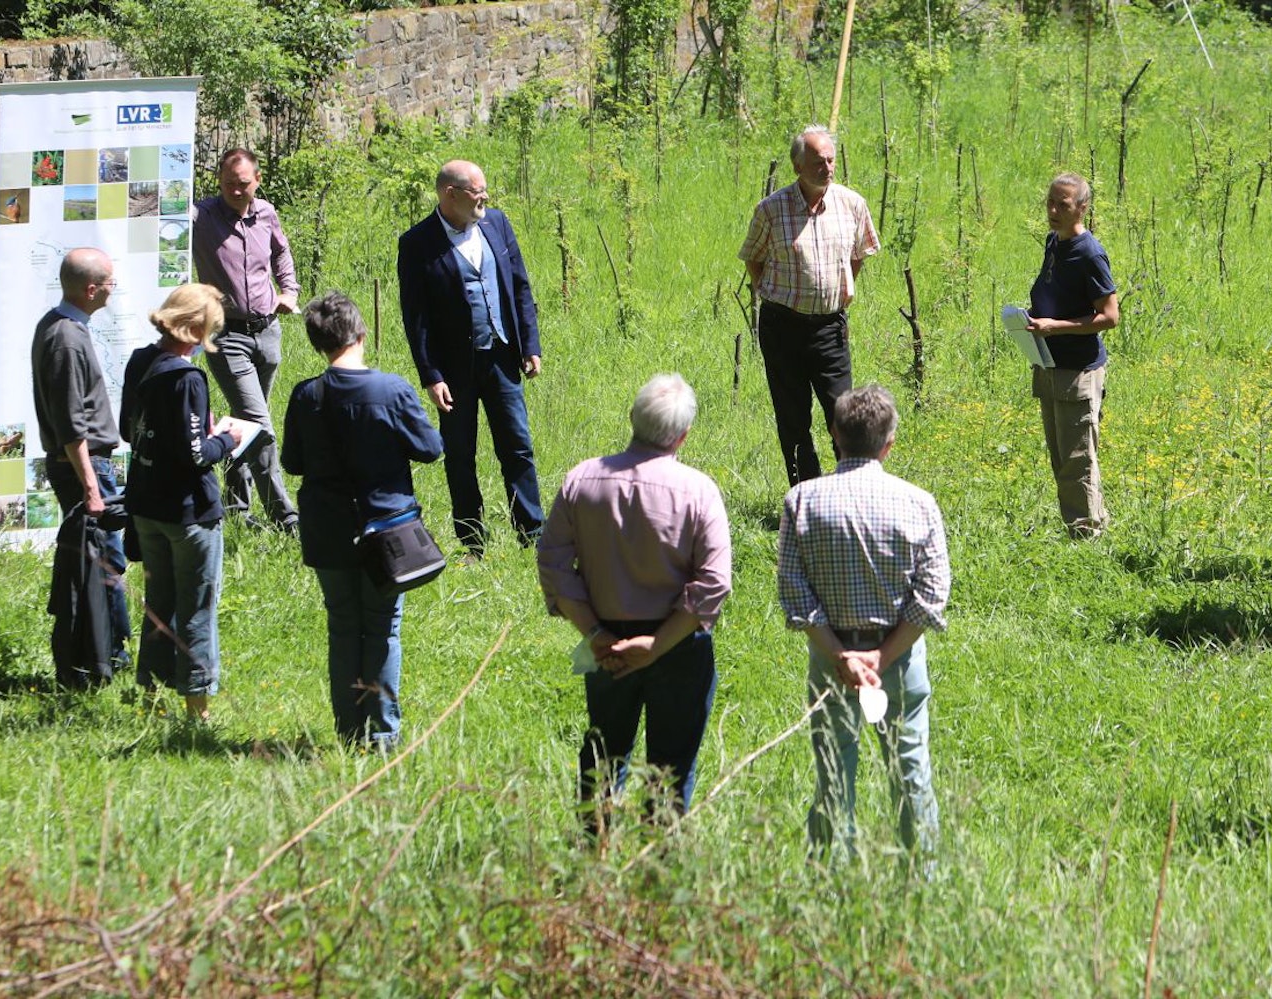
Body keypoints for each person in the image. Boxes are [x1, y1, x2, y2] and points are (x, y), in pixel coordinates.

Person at [537, 374, 732, 830]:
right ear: (683, 436)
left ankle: (592, 855)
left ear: (632, 419)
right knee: (671, 765)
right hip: (678, 644)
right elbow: (714, 582)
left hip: (606, 641)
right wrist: (658, 645)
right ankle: (656, 865)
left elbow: (552, 563)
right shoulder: (698, 490)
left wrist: (595, 632)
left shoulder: (581, 480)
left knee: (603, 753)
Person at [777, 384, 950, 859]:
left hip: (831, 662)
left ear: (834, 434)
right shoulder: (918, 503)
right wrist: (880, 656)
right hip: (898, 660)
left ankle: (832, 885)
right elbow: (932, 597)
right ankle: (920, 885)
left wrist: (841, 656)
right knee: (910, 771)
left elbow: (794, 595)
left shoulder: (802, 501)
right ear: (889, 443)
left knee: (834, 772)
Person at [281, 292, 443, 750]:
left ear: (317, 343)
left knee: (343, 628)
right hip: (386, 532)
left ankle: (348, 732)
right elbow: (430, 449)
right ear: (361, 333)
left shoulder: (305, 394)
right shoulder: (391, 390)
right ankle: (385, 735)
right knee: (383, 628)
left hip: (327, 529)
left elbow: (292, 463)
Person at [397, 159, 545, 555]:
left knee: (517, 446)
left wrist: (530, 345)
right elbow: (416, 317)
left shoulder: (496, 223)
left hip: (501, 356)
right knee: (460, 456)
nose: (485, 198)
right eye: (477, 191)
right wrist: (431, 374)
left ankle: (532, 534)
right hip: (454, 370)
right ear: (450, 194)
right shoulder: (417, 244)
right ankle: (472, 542)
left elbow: (519, 287)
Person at [120, 284, 250, 719]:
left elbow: (127, 429)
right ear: (194, 327)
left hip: (145, 505)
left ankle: (152, 696)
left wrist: (195, 431)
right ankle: (197, 706)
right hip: (188, 512)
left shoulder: (141, 361)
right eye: (210, 329)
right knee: (196, 608)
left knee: (158, 603)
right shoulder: (187, 377)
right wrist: (226, 440)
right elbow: (196, 456)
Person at [739, 125, 881, 485]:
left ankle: (851, 491)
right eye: (818, 161)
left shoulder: (852, 204)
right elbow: (753, 257)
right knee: (792, 416)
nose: (828, 168)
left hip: (829, 327)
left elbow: (860, 253)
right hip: (782, 326)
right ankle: (806, 495)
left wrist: (840, 287)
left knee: (844, 414)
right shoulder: (772, 210)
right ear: (798, 166)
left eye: (831, 160)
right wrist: (769, 290)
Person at [191, 148, 300, 533]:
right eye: (228, 184)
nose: (236, 191)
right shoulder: (201, 217)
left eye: (243, 184)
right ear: (219, 181)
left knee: (247, 420)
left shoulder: (266, 213)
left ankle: (235, 505)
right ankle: (285, 517)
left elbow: (281, 255)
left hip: (268, 330)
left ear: (256, 180)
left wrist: (290, 292)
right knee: (261, 424)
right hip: (227, 335)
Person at [30, 248, 129, 672]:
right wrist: (91, 487)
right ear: (91, 290)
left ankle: (101, 650)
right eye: (109, 283)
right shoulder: (67, 339)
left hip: (89, 465)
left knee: (101, 558)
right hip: (86, 469)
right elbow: (72, 425)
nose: (112, 290)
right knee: (104, 560)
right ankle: (108, 655)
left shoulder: (61, 327)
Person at [1024, 172, 1119, 538]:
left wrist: (1055, 326)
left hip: (1078, 370)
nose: (1052, 210)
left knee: (1078, 459)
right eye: (1049, 202)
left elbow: (1110, 316)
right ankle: (1085, 523)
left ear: (1082, 207)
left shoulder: (1090, 253)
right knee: (1061, 457)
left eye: (1062, 205)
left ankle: (1086, 535)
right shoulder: (1054, 242)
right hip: (1049, 362)